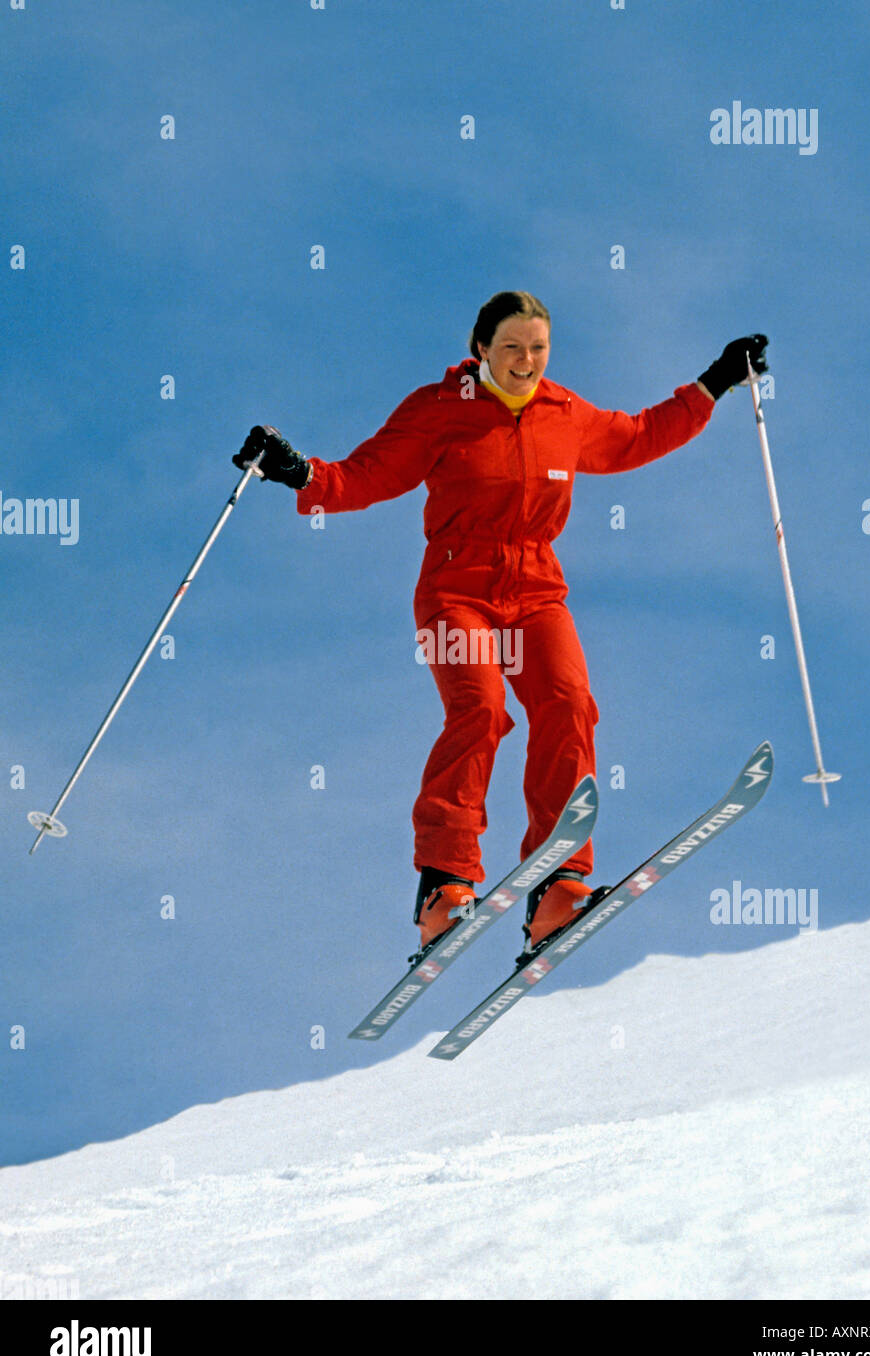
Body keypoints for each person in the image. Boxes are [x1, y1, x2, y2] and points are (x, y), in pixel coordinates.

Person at [233, 291, 768, 960]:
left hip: (537, 589)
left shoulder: (563, 413)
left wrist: (715, 381)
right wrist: (301, 473)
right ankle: (444, 884)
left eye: (538, 348)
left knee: (570, 706)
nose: (526, 361)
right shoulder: (438, 411)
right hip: (455, 592)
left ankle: (557, 886)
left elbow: (636, 437)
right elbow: (368, 475)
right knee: (480, 710)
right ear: (481, 348)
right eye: (512, 347)